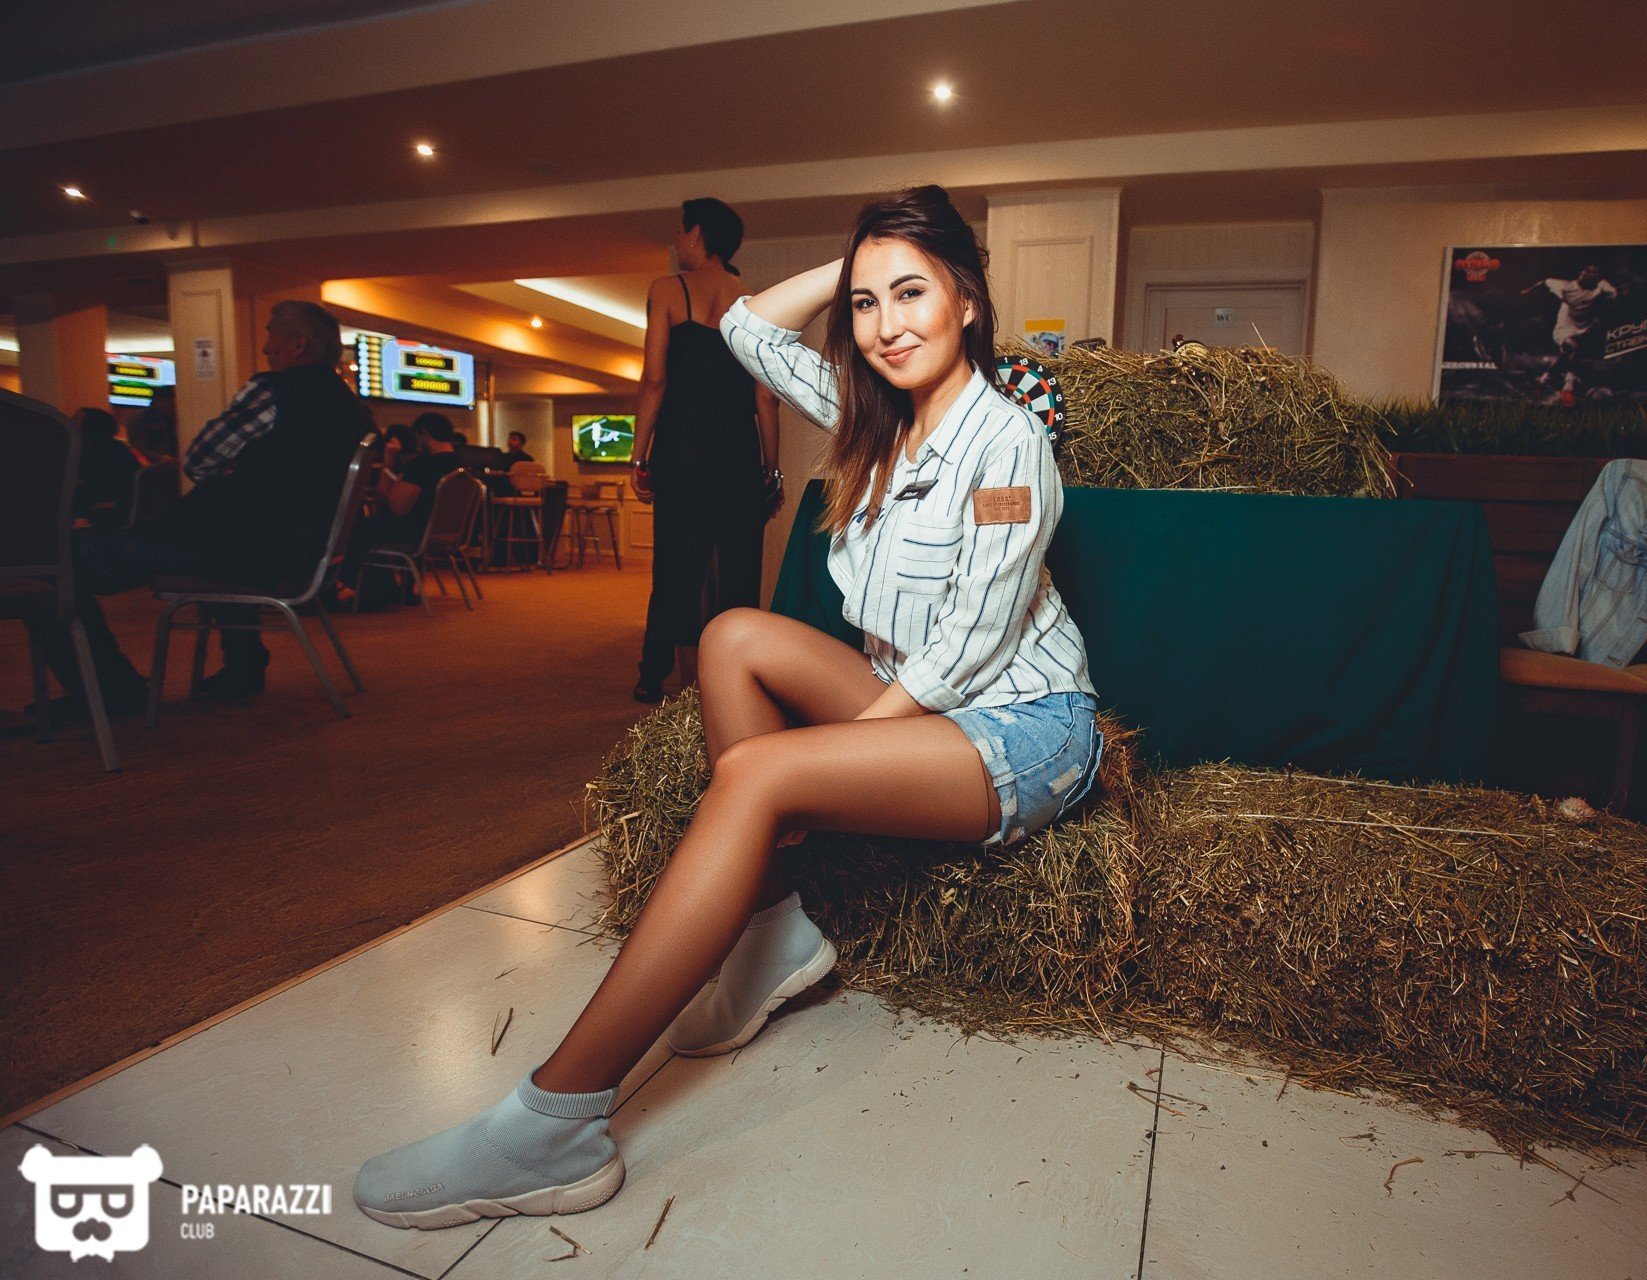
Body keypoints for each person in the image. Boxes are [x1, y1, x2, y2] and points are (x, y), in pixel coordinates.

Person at [353, 184, 1100, 1230]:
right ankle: (775, 929)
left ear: (967, 301)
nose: (886, 324)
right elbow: (744, 329)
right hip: (926, 705)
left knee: (756, 776)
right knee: (729, 636)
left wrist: (817, 766)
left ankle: (556, 1121)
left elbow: (970, 647)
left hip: (1023, 725)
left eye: (913, 292)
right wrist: (854, 265)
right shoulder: (874, 419)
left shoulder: (1008, 442)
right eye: (867, 301)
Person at [25, 301, 369, 714]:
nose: (265, 347)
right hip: (304, 554)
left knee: (49, 561)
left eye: (271, 333)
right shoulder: (355, 411)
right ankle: (243, 665)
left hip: (240, 551)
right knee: (235, 525)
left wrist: (237, 472)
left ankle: (108, 689)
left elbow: (200, 460)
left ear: (297, 344)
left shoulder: (275, 391)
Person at [629, 197, 784, 703]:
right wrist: (772, 469)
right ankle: (730, 685)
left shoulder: (667, 289)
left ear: (697, 233)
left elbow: (655, 379)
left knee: (678, 563)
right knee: (735, 566)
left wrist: (638, 454)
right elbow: (766, 397)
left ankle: (668, 679)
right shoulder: (753, 303)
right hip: (737, 451)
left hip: (682, 450)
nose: (677, 240)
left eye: (681, 230)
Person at [348, 412, 464, 606]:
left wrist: (388, 463)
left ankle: (374, 591)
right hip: (444, 533)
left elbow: (396, 507)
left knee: (355, 528)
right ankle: (398, 589)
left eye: (417, 437)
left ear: (424, 435)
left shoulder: (422, 465)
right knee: (372, 526)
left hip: (415, 533)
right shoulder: (462, 466)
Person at [1524, 264, 1617, 405]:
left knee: (1566, 355)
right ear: (1581, 274)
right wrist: (1526, 291)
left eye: (1595, 271)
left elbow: (1614, 296)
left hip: (1585, 327)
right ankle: (1568, 387)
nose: (1592, 273)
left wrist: (1601, 309)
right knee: (1574, 348)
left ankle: (1544, 380)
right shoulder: (1565, 287)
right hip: (1565, 326)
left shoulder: (1602, 285)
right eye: (1588, 271)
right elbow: (1544, 282)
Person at [72, 407, 141, 527]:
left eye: (77, 420)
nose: (71, 422)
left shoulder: (114, 452)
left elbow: (126, 487)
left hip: (108, 512)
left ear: (92, 425)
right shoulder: (79, 449)